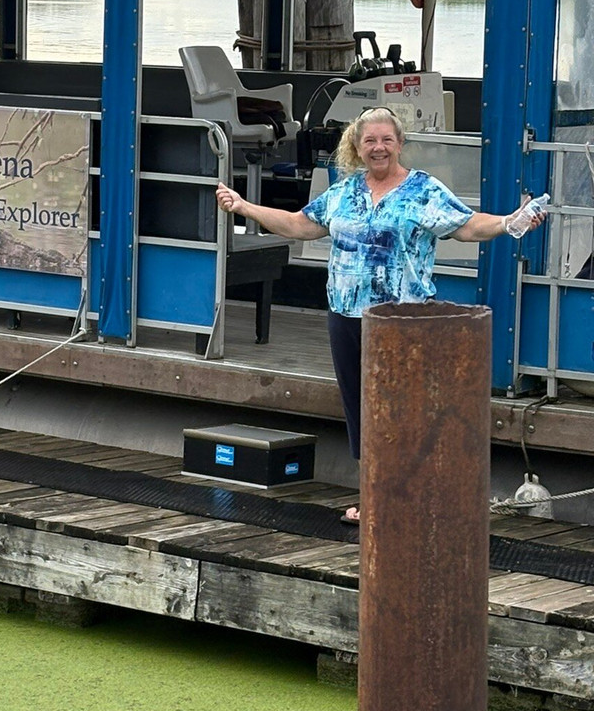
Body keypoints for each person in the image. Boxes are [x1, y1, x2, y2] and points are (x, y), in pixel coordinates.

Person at [215, 107, 546, 523]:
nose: (378, 147)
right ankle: (373, 498)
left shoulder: (422, 189)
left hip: (404, 320)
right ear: (357, 145)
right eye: (369, 140)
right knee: (361, 408)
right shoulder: (344, 191)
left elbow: (465, 225)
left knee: (406, 409)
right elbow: (300, 225)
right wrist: (245, 207)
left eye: (386, 140)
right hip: (347, 315)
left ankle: (416, 496)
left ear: (400, 144)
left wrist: (509, 223)